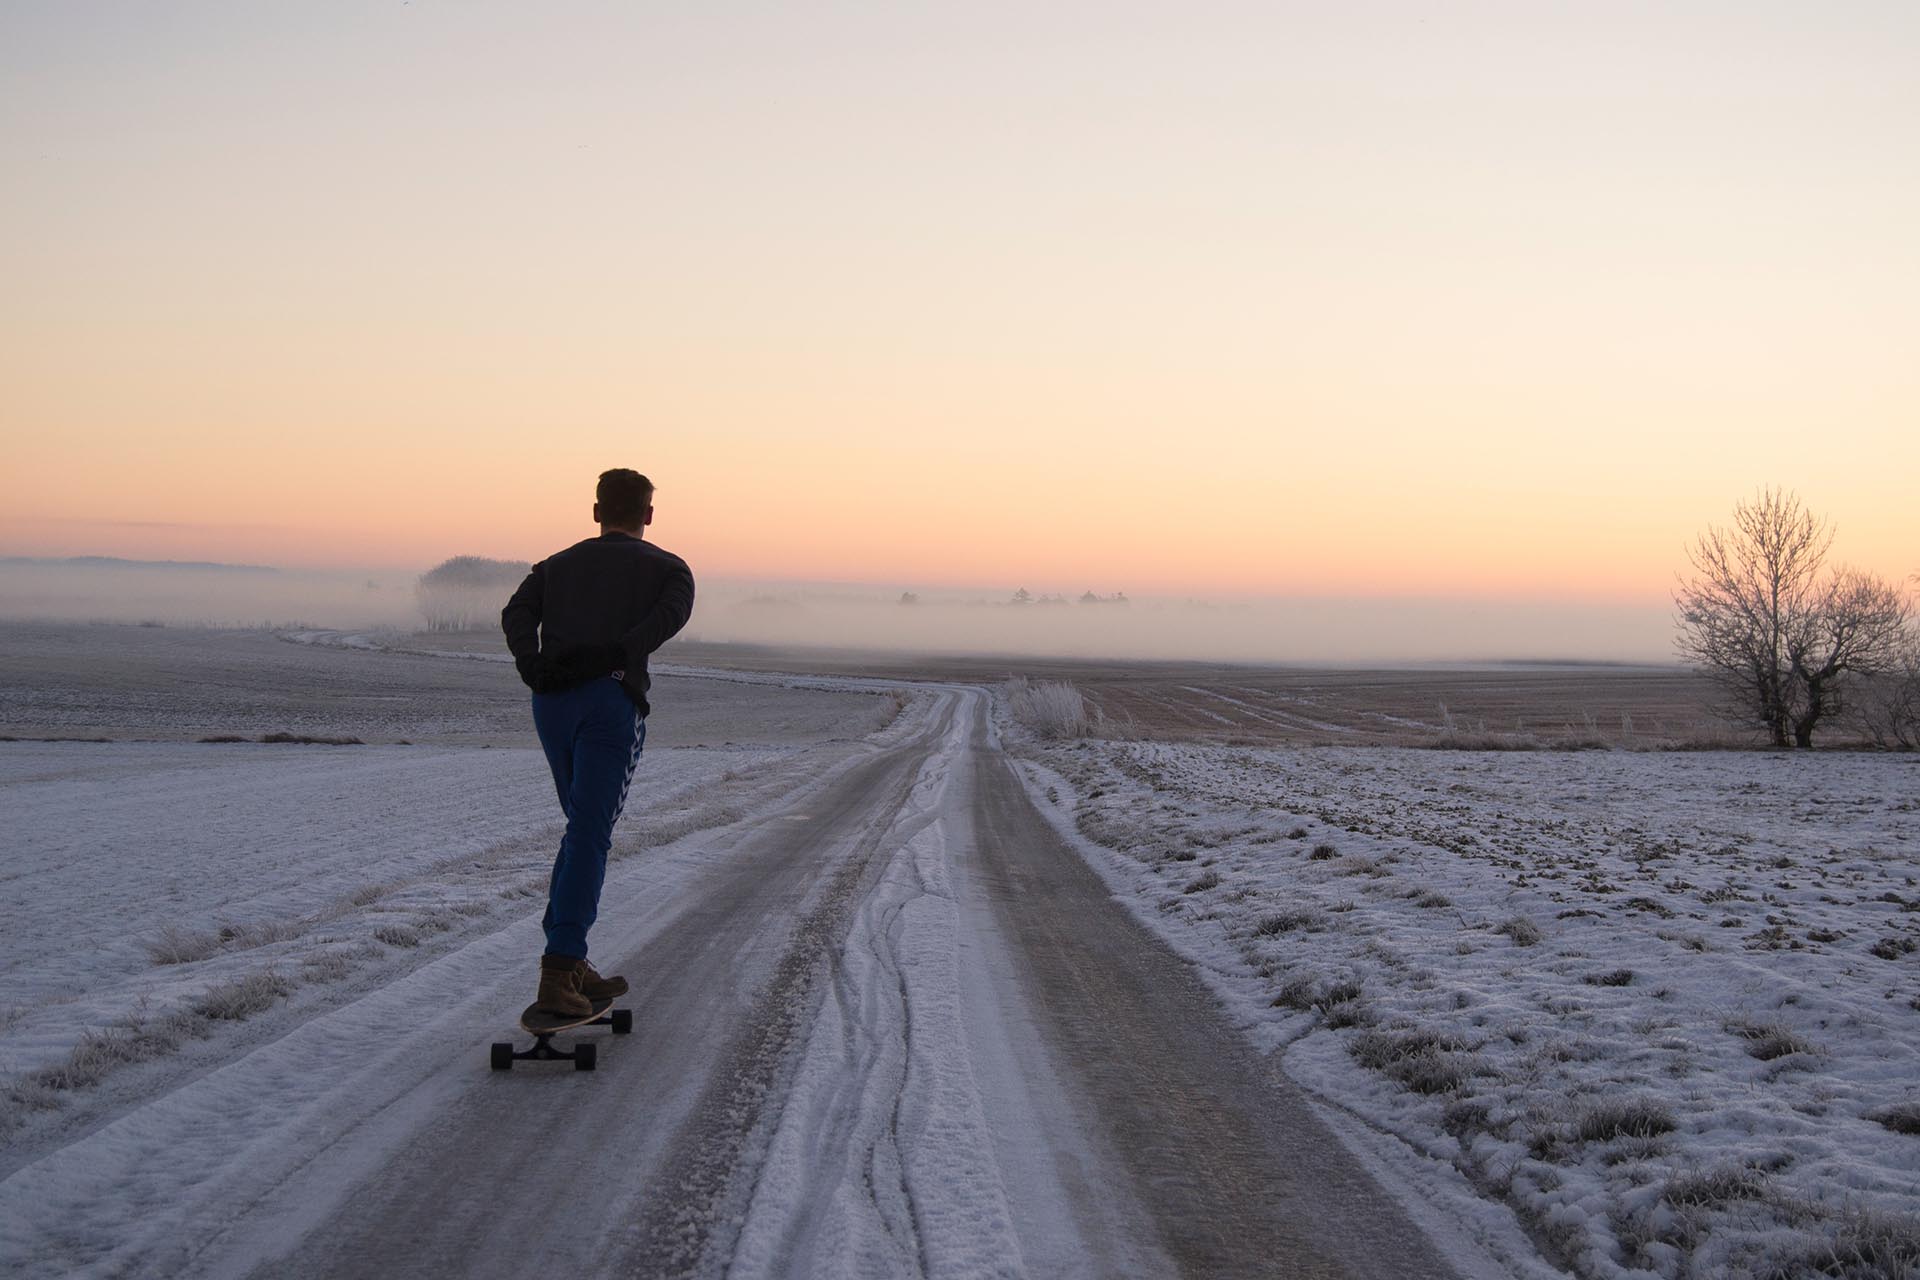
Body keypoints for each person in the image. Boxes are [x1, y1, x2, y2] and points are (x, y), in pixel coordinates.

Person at [501, 469, 695, 1017]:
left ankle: (569, 959)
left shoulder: (555, 566)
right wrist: (617, 653)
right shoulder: (670, 568)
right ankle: (561, 968)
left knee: (580, 828)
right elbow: (666, 620)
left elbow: (516, 611)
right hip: (610, 704)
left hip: (552, 703)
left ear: (595, 511)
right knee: (591, 832)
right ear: (649, 515)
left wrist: (530, 665)